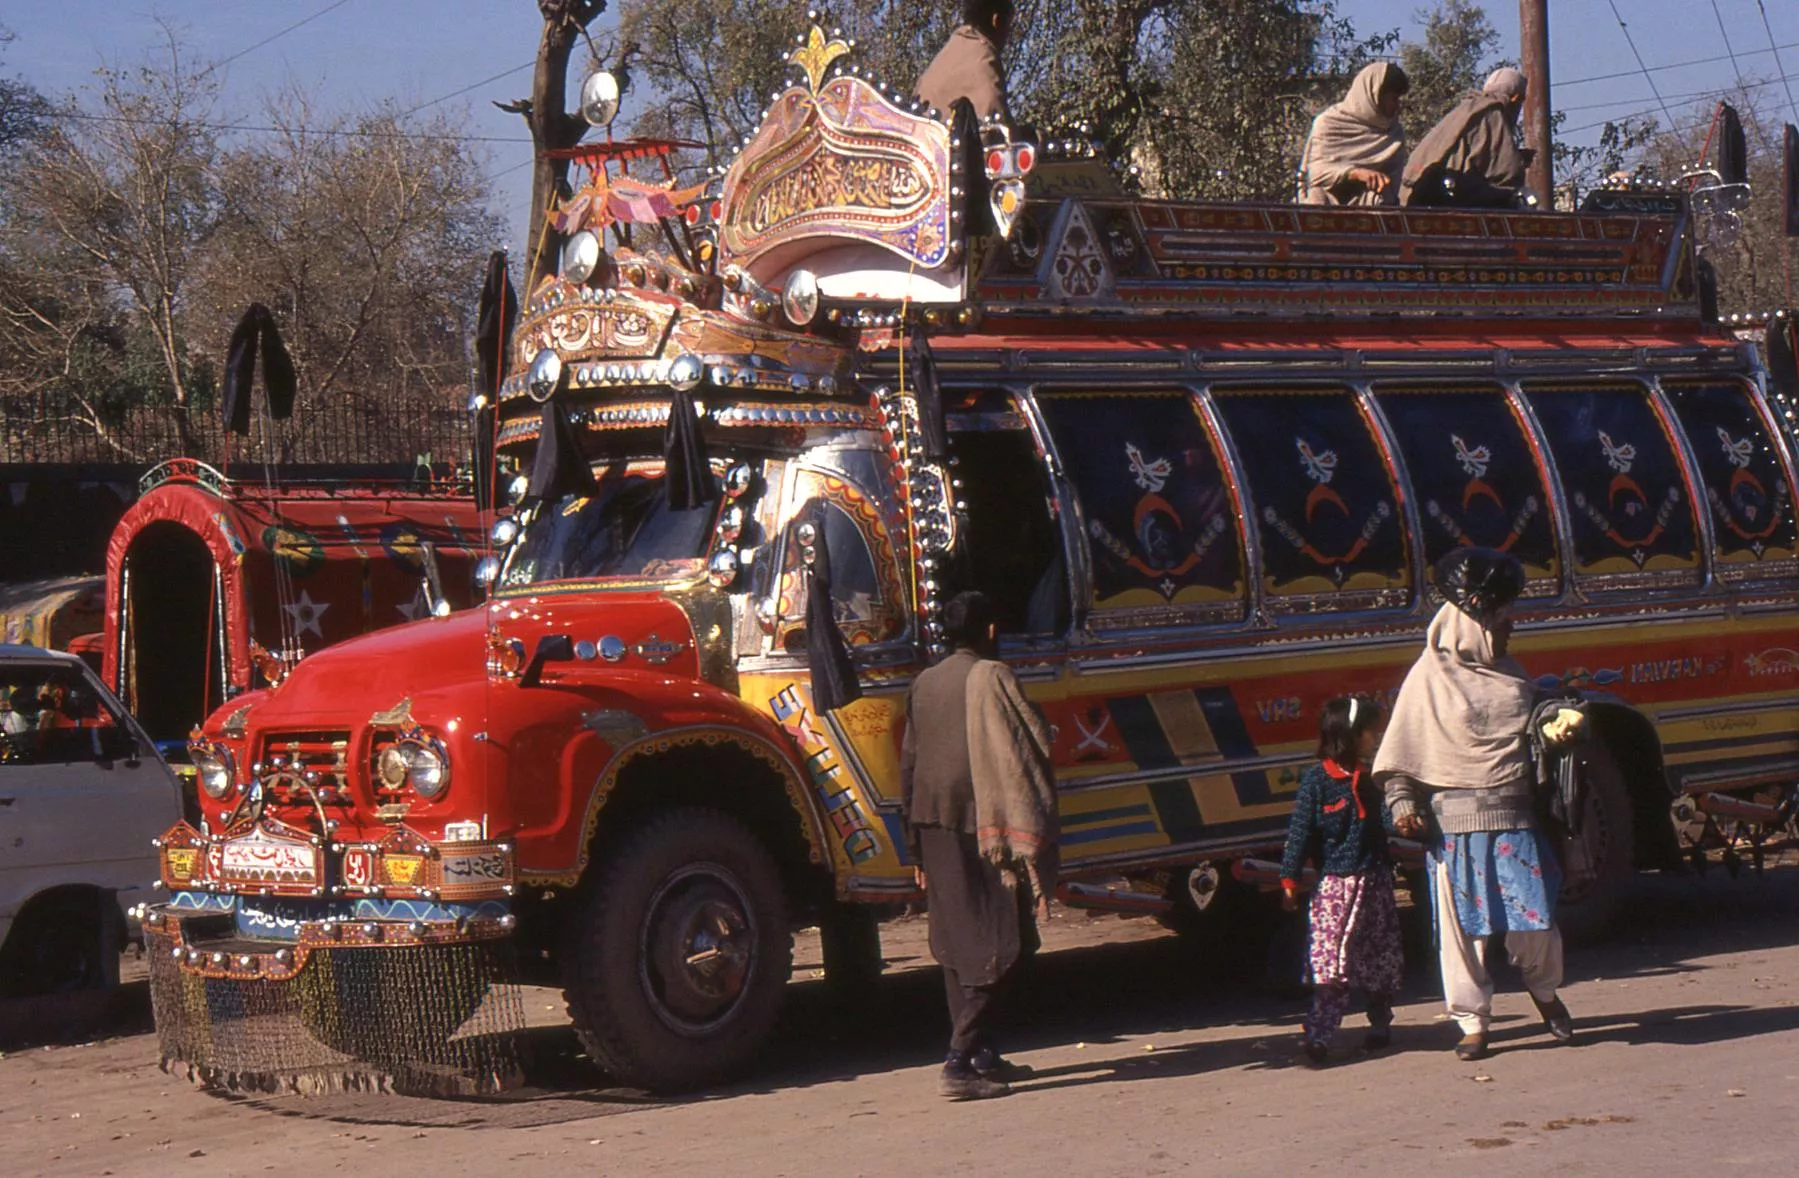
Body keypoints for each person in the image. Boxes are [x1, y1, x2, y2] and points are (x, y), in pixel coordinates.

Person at [1373, 547, 1574, 1062]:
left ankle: (1545, 992)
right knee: (1461, 935)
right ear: (1472, 624)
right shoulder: (1424, 681)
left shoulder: (1511, 675)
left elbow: (1534, 731)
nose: (1510, 631)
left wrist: (1558, 720)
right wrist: (1401, 804)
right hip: (1453, 829)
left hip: (1515, 821)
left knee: (1537, 923)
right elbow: (1400, 758)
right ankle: (1472, 1021)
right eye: (1502, 621)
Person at [900, 589, 1058, 1100]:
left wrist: (914, 847)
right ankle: (959, 1057)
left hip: (931, 822)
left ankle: (983, 1054)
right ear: (990, 631)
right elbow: (1029, 742)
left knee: (954, 942)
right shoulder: (993, 676)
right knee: (1004, 939)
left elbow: (910, 763)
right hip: (985, 828)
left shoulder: (923, 682)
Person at [1279, 695, 1404, 1065]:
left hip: (1375, 884)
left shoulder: (1372, 778)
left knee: (1377, 959)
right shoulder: (1317, 781)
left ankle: (1380, 1020)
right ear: (1350, 735)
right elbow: (1300, 832)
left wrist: (1411, 820)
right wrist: (1289, 878)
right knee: (1330, 964)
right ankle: (1319, 1035)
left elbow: (1387, 820)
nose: (1375, 738)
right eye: (1370, 731)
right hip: (1334, 887)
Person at [1400, 67, 1530, 208]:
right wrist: (1520, 162)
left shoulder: (1465, 109)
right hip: (1449, 197)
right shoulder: (1494, 113)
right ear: (1515, 99)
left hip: (1415, 194)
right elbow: (1506, 173)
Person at [1296, 62, 1410, 206]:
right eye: (1394, 98)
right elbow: (1315, 174)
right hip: (1326, 202)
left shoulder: (1394, 133)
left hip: (1369, 205)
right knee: (1316, 198)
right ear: (1375, 94)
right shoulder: (1329, 123)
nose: (1397, 106)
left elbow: (1392, 187)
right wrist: (1354, 173)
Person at [914, 0, 1014, 122]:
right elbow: (996, 128)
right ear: (996, 20)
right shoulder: (984, 60)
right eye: (1009, 25)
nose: (1008, 35)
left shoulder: (942, 58)